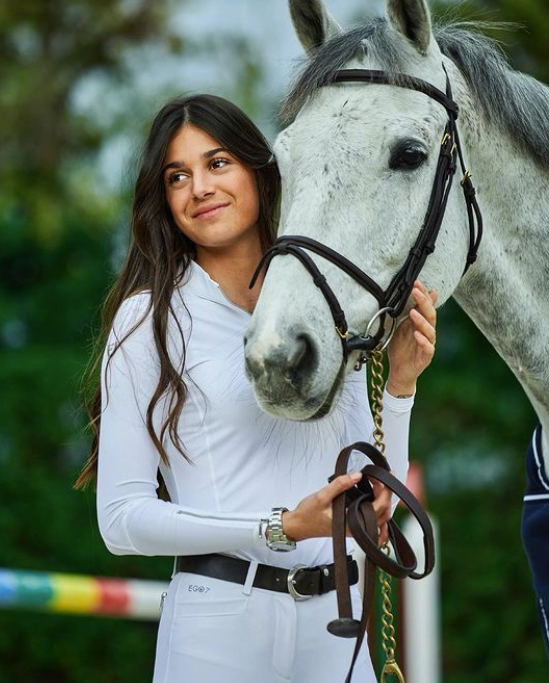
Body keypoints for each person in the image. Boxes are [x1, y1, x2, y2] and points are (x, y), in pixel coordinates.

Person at [75, 93, 438, 683]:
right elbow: (121, 520)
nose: (200, 187)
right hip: (219, 625)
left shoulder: (322, 309)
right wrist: (277, 527)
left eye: (218, 164)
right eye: (178, 176)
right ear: (163, 199)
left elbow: (374, 500)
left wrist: (400, 386)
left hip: (336, 627)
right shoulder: (149, 321)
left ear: (257, 170)